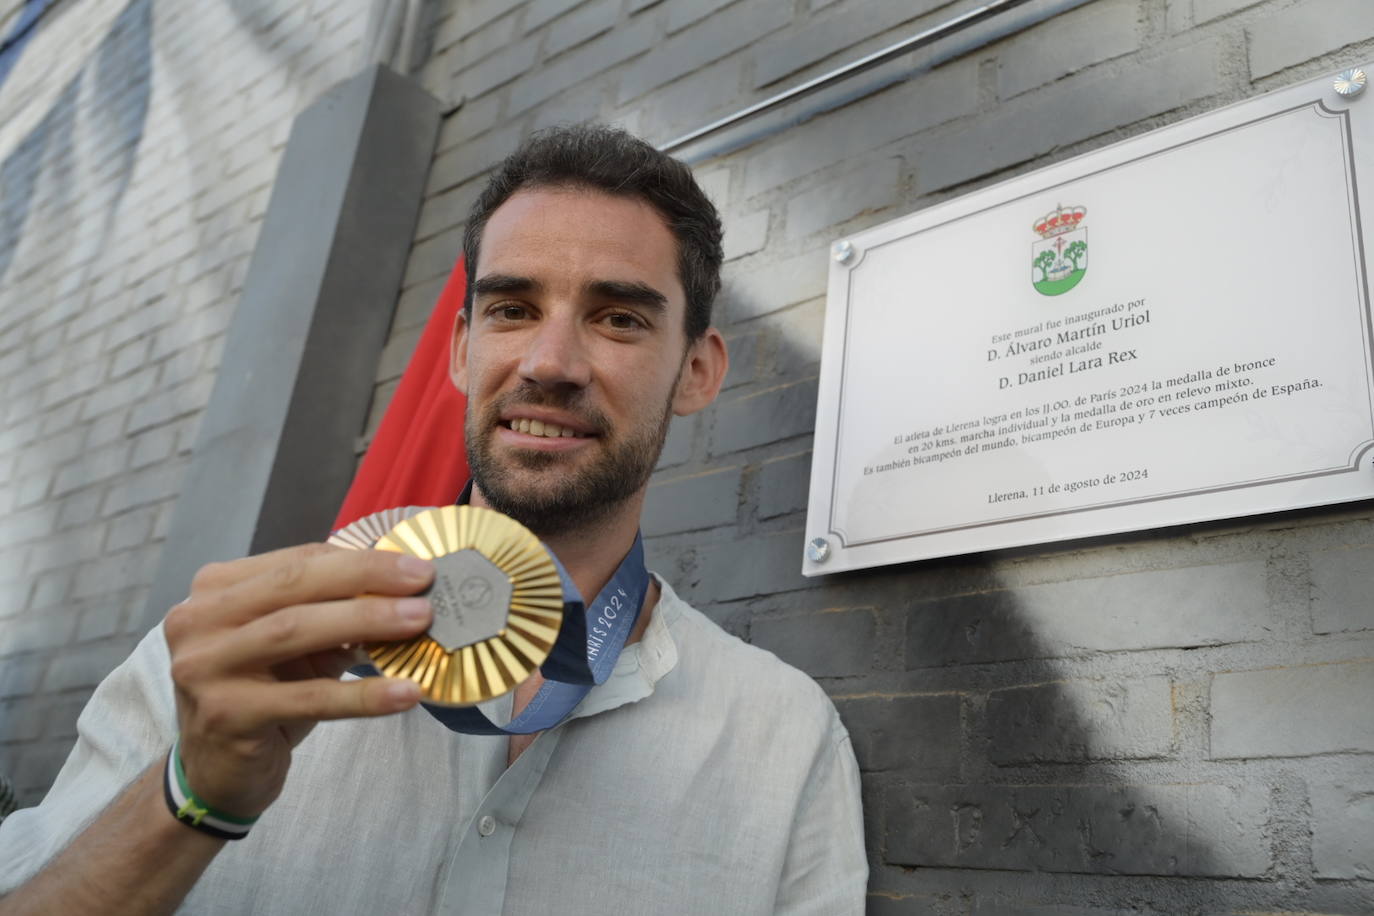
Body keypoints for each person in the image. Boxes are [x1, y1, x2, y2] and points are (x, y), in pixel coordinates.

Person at [0, 124, 866, 914]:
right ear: (460, 349)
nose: (548, 362)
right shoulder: (226, 660)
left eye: (619, 318)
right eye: (511, 309)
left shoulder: (780, 739)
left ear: (698, 372)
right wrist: (192, 798)